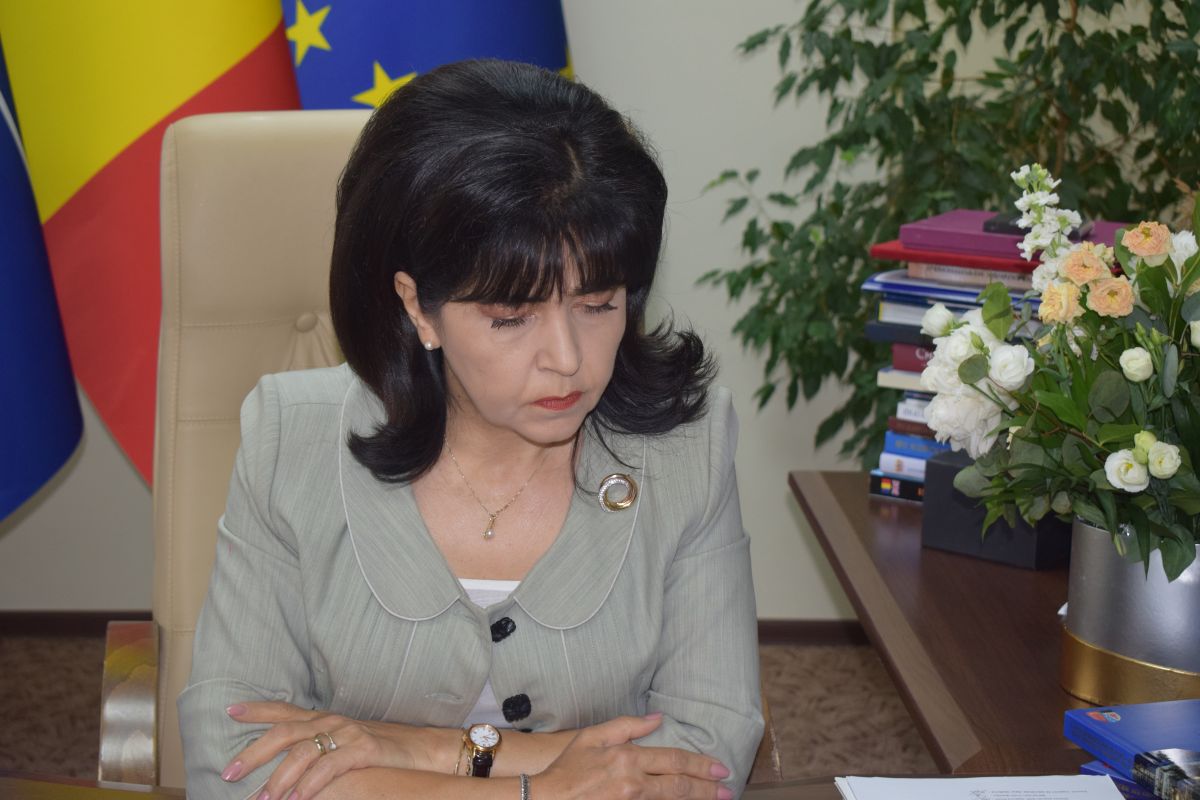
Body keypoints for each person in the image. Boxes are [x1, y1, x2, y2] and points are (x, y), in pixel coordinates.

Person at [178, 59, 762, 800]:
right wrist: (541, 788)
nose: (567, 358)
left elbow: (708, 755)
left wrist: (402, 749)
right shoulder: (290, 437)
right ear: (416, 306)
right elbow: (231, 762)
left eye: (598, 304)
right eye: (511, 317)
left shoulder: (687, 449)